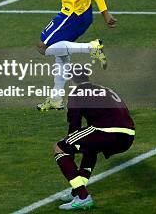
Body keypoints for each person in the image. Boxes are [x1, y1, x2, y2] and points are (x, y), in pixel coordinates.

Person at [53, 72, 135, 210]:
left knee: (59, 148)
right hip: (128, 135)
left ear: (71, 80)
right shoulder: (104, 89)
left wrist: (69, 150)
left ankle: (83, 196)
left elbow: (74, 125)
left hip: (108, 131)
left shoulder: (77, 92)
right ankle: (76, 191)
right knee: (90, 149)